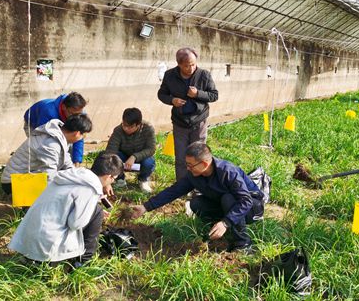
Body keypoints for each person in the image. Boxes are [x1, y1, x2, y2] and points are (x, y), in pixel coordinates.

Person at [130, 142, 264, 252]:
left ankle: (244, 244)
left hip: (251, 207)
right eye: (186, 164)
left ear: (205, 164)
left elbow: (245, 201)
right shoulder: (194, 175)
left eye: (190, 165)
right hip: (227, 205)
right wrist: (145, 207)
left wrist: (226, 222)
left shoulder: (227, 172)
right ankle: (217, 230)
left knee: (228, 199)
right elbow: (173, 191)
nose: (188, 168)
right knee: (196, 203)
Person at [8, 152, 123, 265]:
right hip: (46, 251)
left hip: (26, 243)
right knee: (97, 212)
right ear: (109, 176)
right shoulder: (89, 189)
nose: (112, 182)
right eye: (114, 179)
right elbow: (76, 224)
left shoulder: (70, 176)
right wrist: (92, 211)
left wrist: (89, 208)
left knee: (95, 210)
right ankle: (83, 261)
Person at [158, 48, 218, 180]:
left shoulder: (204, 75)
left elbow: (214, 95)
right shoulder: (170, 75)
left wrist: (198, 93)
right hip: (180, 122)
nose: (191, 68)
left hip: (199, 121)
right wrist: (172, 100)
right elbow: (161, 94)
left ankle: (199, 185)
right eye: (186, 66)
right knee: (181, 157)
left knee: (199, 156)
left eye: (193, 64)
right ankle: (182, 185)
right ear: (179, 64)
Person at [1, 114, 92, 195]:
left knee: (65, 179)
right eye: (83, 136)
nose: (81, 139)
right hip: (13, 182)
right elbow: (49, 176)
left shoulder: (60, 138)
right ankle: (30, 207)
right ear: (77, 133)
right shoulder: (51, 143)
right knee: (60, 184)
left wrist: (79, 181)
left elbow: (68, 166)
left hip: (24, 177)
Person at [24, 92, 87, 166]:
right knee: (44, 150)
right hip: (34, 124)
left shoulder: (79, 113)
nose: (75, 117)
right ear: (64, 107)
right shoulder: (48, 113)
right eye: (72, 114)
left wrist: (76, 161)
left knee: (66, 147)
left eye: (78, 114)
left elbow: (78, 136)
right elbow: (44, 139)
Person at [105, 107, 156, 193]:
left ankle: (143, 180)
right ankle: (120, 179)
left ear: (138, 124)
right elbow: (110, 150)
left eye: (131, 127)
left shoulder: (148, 129)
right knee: (113, 157)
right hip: (123, 158)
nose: (126, 129)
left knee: (149, 162)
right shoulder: (118, 130)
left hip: (140, 159)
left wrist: (134, 157)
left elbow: (151, 149)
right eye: (124, 125)